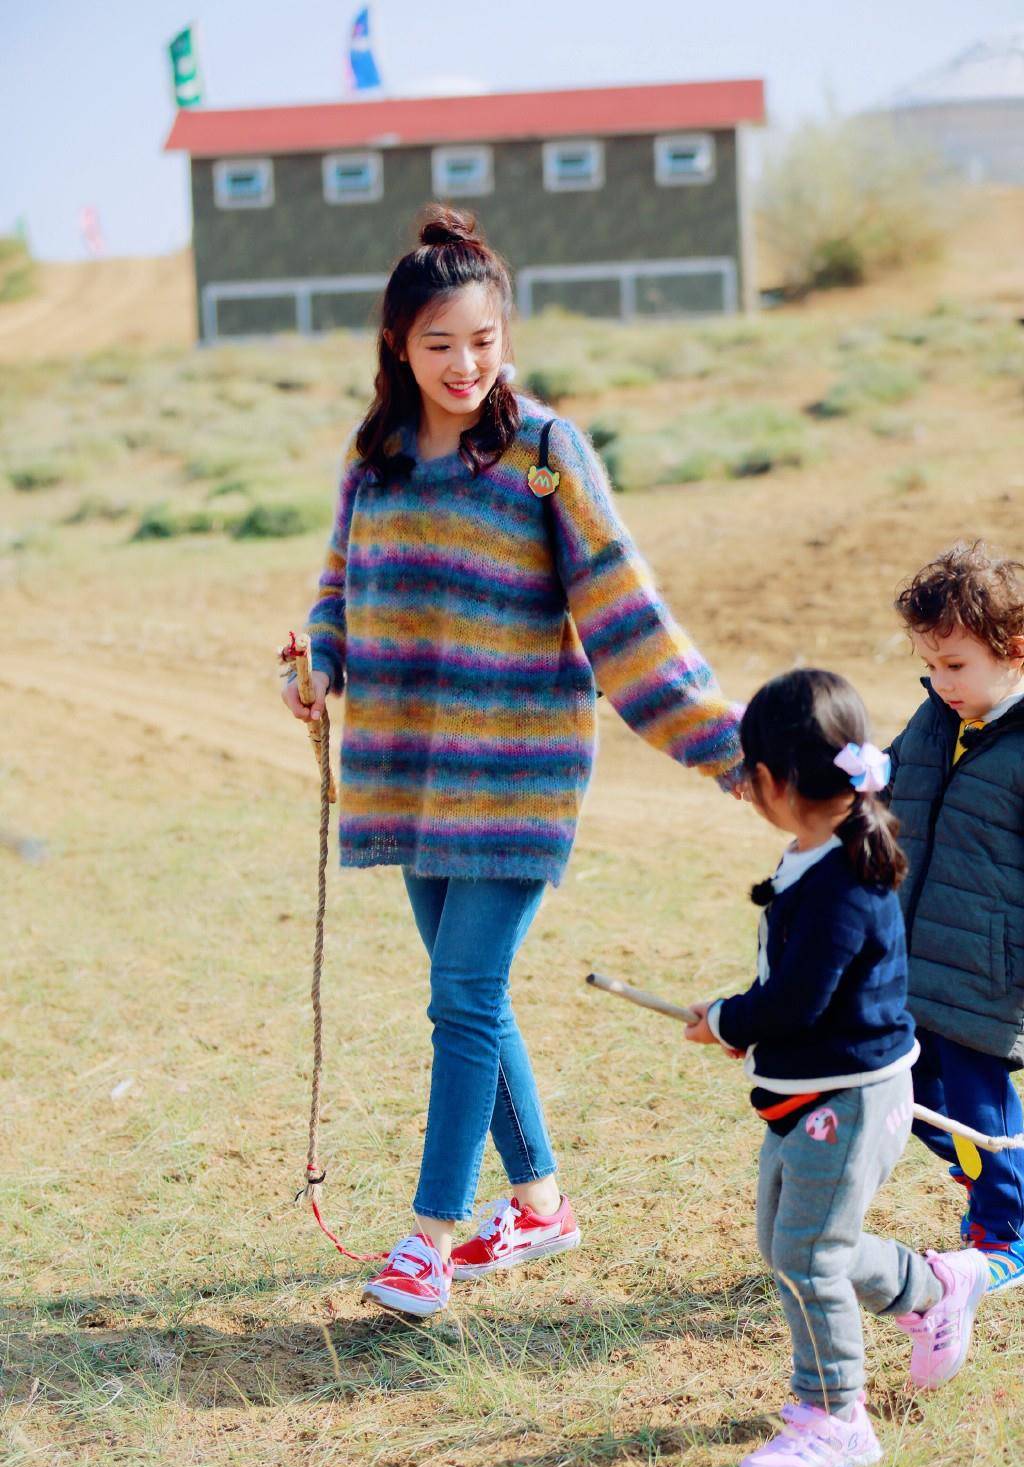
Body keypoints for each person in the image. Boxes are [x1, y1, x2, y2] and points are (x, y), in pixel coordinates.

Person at [282, 205, 744, 1318]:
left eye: (483, 339)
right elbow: (340, 584)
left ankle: (429, 1238)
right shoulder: (376, 458)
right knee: (470, 1000)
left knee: (463, 993)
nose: (464, 363)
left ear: (507, 336)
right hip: (409, 767)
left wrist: (727, 747)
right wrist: (319, 658)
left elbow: (621, 606)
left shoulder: (542, 451)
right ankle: (538, 1204)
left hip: (520, 765)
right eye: (439, 343)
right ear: (399, 344)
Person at [685, 669, 988, 1467]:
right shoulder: (816, 854)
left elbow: (798, 998)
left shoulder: (844, 881)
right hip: (811, 1092)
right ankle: (931, 1291)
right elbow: (798, 1000)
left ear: (774, 783)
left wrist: (728, 1018)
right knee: (796, 1240)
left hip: (850, 1101)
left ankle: (835, 1416)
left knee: (809, 1254)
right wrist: (740, 1024)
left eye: (748, 769)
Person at [888, 541, 1024, 1292]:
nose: (940, 682)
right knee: (904, 1097)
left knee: (977, 1106)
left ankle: (1007, 1231)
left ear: (1014, 651)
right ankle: (1004, 1188)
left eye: (955, 665)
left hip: (985, 969)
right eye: (932, 664)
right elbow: (890, 779)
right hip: (910, 953)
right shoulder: (937, 720)